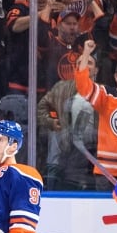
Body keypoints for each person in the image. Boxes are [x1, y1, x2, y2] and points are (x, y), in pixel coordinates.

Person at [75, 39, 117, 190]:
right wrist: (86, 53)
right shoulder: (105, 95)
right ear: (116, 77)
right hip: (107, 172)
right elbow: (82, 84)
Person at [37, 51, 99, 191]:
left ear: (96, 70)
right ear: (75, 69)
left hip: (94, 154)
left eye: (89, 63)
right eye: (80, 64)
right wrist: (51, 122)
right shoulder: (61, 88)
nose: (85, 67)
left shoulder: (103, 93)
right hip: (66, 154)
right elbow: (41, 107)